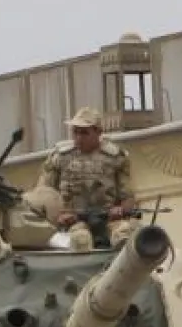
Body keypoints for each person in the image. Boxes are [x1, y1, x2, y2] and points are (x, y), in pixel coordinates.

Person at [34, 107, 139, 250]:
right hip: (73, 222)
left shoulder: (116, 158)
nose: (78, 137)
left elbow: (128, 196)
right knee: (80, 240)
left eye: (84, 133)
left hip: (108, 219)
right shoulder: (60, 158)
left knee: (124, 234)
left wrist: (120, 210)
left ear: (98, 132)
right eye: (75, 132)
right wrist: (58, 217)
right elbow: (43, 196)